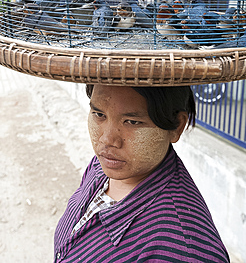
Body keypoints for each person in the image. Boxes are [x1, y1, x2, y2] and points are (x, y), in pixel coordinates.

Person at [54, 84, 230, 263]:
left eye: (132, 122)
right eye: (99, 115)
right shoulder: (104, 165)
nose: (106, 140)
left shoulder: (184, 252)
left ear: (177, 126)